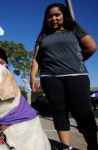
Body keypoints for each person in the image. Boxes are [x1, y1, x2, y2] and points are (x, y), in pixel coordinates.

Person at [30, 3, 97, 150]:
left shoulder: (73, 29)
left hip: (76, 75)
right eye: (49, 16)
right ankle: (66, 147)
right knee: (59, 112)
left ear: (63, 16)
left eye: (57, 15)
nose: (53, 18)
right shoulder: (42, 36)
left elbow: (92, 46)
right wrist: (33, 76)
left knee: (83, 112)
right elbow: (36, 59)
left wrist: (76, 60)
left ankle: (93, 145)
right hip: (50, 77)